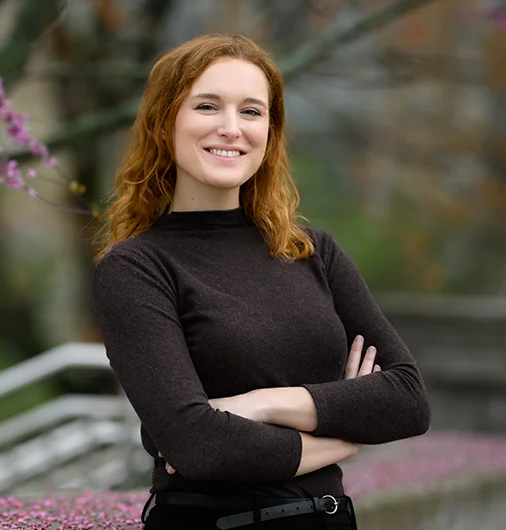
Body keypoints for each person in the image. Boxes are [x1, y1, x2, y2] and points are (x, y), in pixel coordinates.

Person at [90, 34, 431, 530]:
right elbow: (197, 443)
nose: (231, 129)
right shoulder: (136, 269)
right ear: (165, 124)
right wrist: (343, 436)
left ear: (270, 131)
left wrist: (260, 405)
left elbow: (407, 399)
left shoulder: (314, 252)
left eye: (252, 112)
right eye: (208, 106)